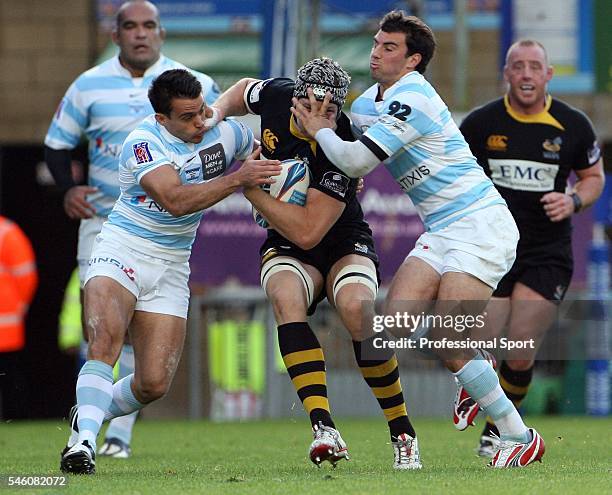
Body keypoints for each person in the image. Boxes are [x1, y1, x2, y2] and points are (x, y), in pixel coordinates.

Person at [291, 11, 545, 468]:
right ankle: (475, 374)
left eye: (390, 47)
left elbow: (352, 161)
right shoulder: (370, 102)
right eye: (376, 42)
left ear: (413, 61)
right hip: (443, 229)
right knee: (390, 329)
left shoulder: (414, 98)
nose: (376, 51)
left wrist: (321, 130)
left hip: (480, 224)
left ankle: (519, 434)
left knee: (449, 341)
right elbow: (344, 144)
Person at [59, 69, 281, 475]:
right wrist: (238, 180)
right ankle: (85, 445)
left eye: (201, 111)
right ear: (163, 119)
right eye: (187, 117)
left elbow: (267, 146)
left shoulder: (223, 131)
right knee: (105, 340)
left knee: (153, 384)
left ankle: (86, 415)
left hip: (172, 263)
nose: (200, 123)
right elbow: (175, 201)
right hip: (122, 247)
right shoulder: (143, 143)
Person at [209, 57, 419, 469]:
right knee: (285, 297)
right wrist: (215, 113)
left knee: (359, 311)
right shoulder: (276, 95)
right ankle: (324, 428)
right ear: (296, 98)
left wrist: (249, 189)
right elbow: (242, 89)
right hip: (286, 241)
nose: (320, 115)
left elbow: (309, 232)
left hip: (339, 238)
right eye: (312, 104)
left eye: (331, 108)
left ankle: (403, 432)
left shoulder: (343, 142)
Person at [44, 0, 220, 459]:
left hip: (168, 241)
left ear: (161, 33)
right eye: (130, 26)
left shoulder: (191, 85)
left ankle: (104, 423)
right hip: (109, 224)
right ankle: (87, 440)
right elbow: (57, 145)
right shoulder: (88, 85)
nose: (140, 34)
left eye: (149, 26)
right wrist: (69, 189)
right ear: (116, 33)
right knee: (103, 331)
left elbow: (231, 120)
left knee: (153, 380)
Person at [457, 39, 604, 457]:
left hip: (547, 253)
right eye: (517, 66)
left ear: (548, 74)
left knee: (520, 347)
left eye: (534, 67)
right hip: (494, 248)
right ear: (506, 73)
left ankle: (497, 432)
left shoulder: (572, 124)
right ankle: (486, 404)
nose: (525, 74)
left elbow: (594, 178)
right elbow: (456, 173)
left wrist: (573, 199)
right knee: (480, 341)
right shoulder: (482, 123)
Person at [0, 216, 38, 419]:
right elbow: (26, 277)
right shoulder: (7, 231)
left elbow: (26, 276)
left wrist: (17, 308)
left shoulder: (7, 232)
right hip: (7, 323)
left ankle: (15, 417)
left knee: (9, 376)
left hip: (5, 326)